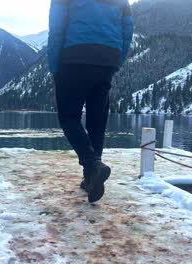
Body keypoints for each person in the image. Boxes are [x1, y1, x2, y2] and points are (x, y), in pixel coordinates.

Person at [48, 0, 134, 203]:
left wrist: (55, 67)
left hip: (75, 56)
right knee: (97, 121)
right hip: (108, 59)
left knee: (69, 118)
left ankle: (93, 164)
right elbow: (128, 29)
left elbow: (56, 29)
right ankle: (91, 180)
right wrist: (117, 60)